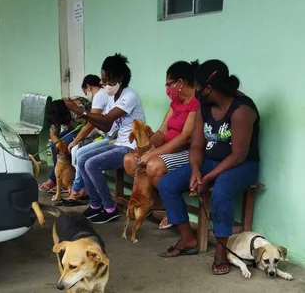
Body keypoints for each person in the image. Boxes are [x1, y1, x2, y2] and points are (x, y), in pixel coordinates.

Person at [157, 60, 260, 276]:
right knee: (168, 183)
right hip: (208, 162)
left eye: (198, 87)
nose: (196, 92)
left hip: (241, 166)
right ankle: (187, 239)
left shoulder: (242, 109)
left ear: (209, 88)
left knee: (221, 189)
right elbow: (196, 145)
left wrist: (208, 177)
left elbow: (238, 155)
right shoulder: (204, 106)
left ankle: (221, 252)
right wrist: (195, 170)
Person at [64, 53, 146, 224]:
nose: (105, 85)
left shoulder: (130, 96)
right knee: (82, 158)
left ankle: (109, 209)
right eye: (103, 81)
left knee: (91, 164)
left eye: (109, 80)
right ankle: (95, 205)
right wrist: (86, 116)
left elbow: (107, 119)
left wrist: (81, 112)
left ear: (120, 78)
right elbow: (106, 126)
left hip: (132, 146)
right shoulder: (112, 97)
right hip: (118, 143)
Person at [123, 61, 200, 230]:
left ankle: (173, 211)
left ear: (180, 83)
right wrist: (146, 147)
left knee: (153, 164)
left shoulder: (196, 103)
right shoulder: (176, 103)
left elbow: (184, 137)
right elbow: (162, 131)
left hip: (187, 152)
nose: (167, 89)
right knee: (130, 159)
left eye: (169, 84)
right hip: (168, 150)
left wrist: (152, 154)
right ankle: (155, 201)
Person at [61, 75, 117, 205]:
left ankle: (76, 190)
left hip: (112, 137)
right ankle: (83, 188)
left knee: (80, 153)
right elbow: (95, 123)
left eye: (85, 91)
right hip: (106, 134)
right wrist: (79, 139)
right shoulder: (104, 95)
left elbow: (91, 123)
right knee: (77, 151)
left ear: (88, 87)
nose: (87, 95)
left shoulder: (99, 95)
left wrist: (76, 141)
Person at [38, 97, 92, 193]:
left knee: (66, 143)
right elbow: (53, 134)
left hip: (86, 130)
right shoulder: (55, 112)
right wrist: (58, 143)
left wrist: (73, 142)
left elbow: (88, 126)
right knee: (55, 145)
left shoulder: (77, 107)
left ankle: (64, 181)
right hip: (73, 129)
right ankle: (57, 178)